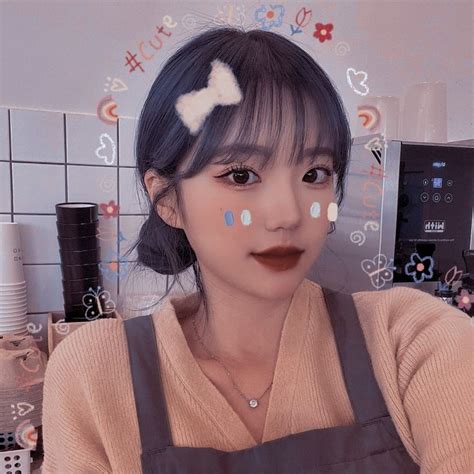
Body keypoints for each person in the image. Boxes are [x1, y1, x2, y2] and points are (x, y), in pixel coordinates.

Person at [41, 26, 473, 473]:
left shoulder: (411, 340)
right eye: (241, 175)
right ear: (167, 199)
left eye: (314, 174)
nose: (288, 214)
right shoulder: (95, 375)